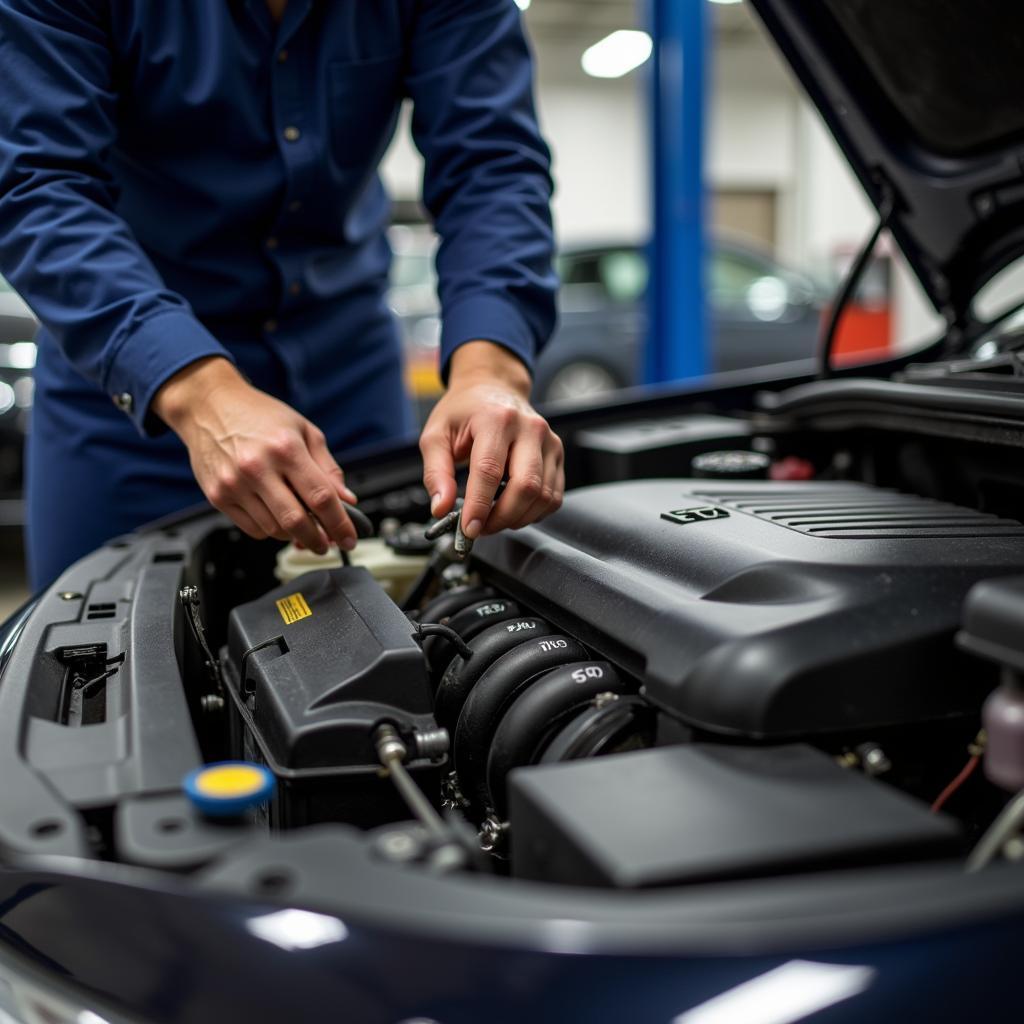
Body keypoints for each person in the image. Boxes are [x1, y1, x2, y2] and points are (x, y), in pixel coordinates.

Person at [0, 0, 563, 589]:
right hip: (130, 403)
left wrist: (489, 372)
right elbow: (40, 185)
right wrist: (198, 392)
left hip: (351, 380)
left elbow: (492, 169)